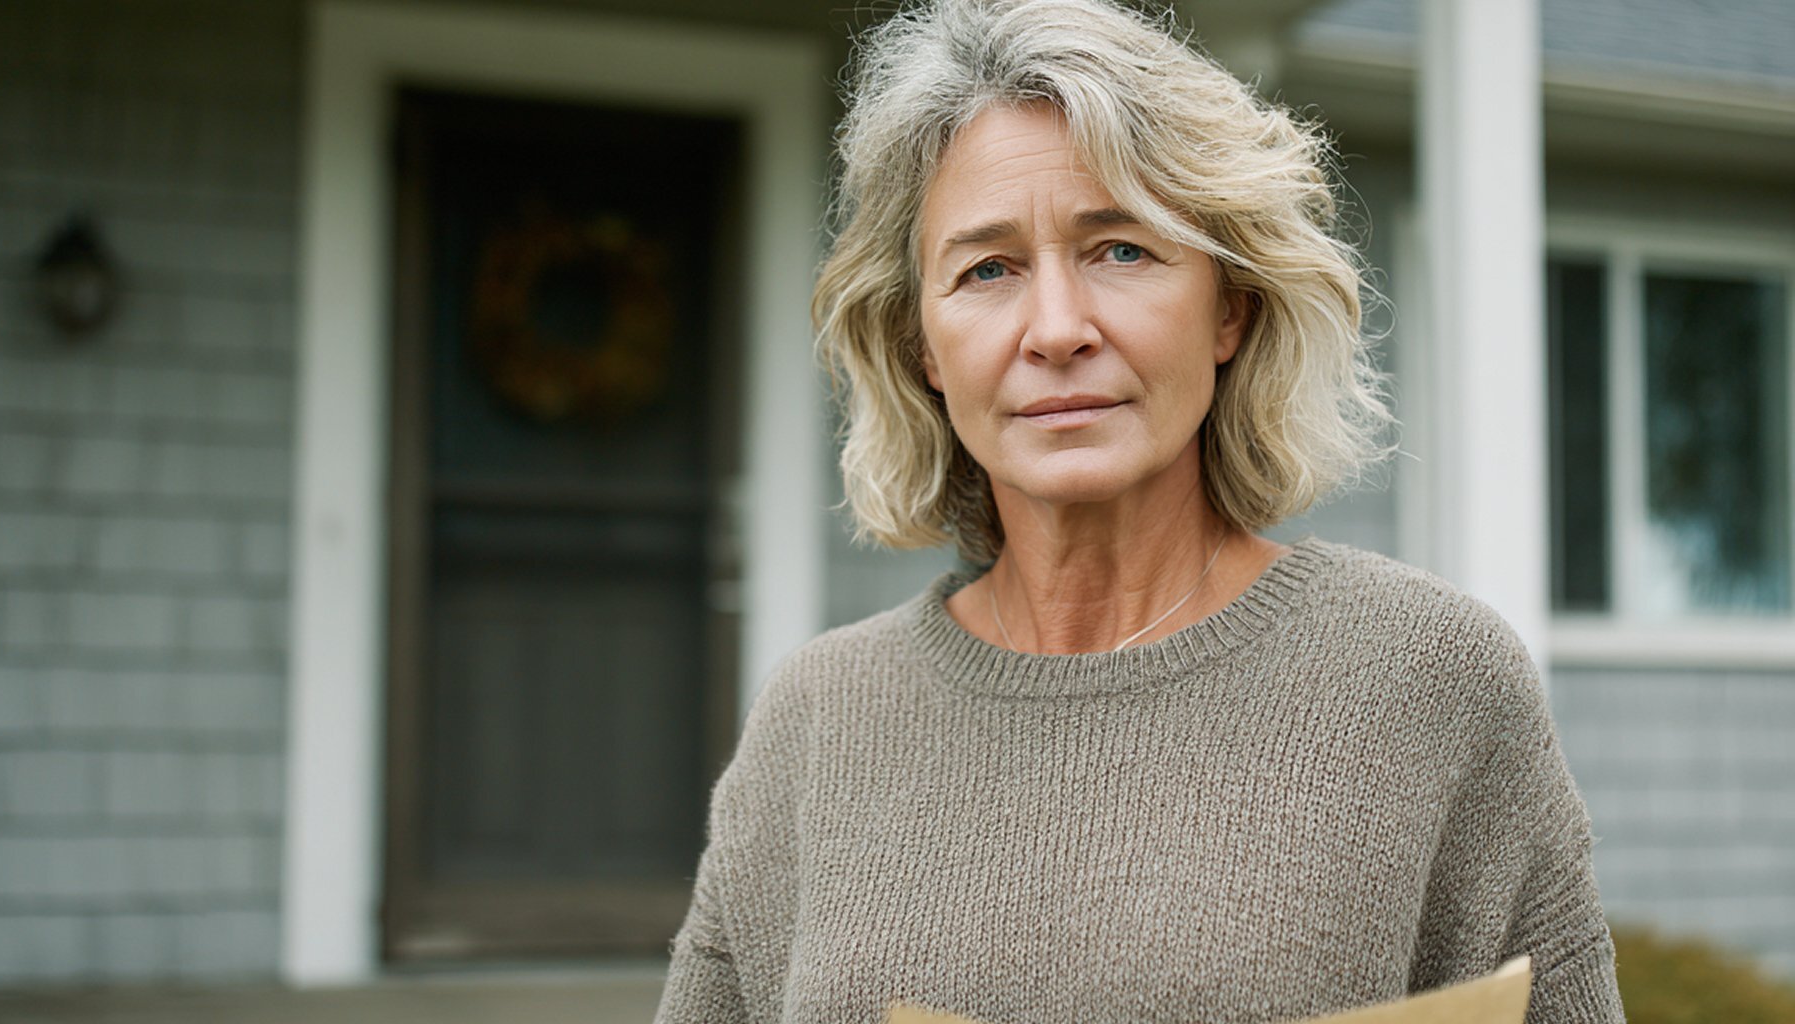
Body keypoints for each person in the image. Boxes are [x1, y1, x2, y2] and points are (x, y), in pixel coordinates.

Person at [654, 0, 1624, 1021]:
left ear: (1229, 305)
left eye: (1120, 249)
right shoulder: (816, 717)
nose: (1056, 328)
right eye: (988, 269)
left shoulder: (1428, 676)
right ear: (923, 349)